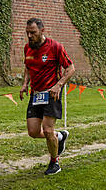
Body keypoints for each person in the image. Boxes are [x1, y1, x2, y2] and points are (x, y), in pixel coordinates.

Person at [20, 18, 75, 175]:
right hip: (35, 94)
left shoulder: (55, 47)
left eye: (33, 33)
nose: (30, 36)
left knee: (47, 129)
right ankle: (59, 136)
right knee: (33, 131)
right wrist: (25, 84)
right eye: (27, 33)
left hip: (52, 93)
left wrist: (58, 85)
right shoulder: (27, 48)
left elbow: (70, 68)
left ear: (42, 31)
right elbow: (28, 67)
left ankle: (54, 162)